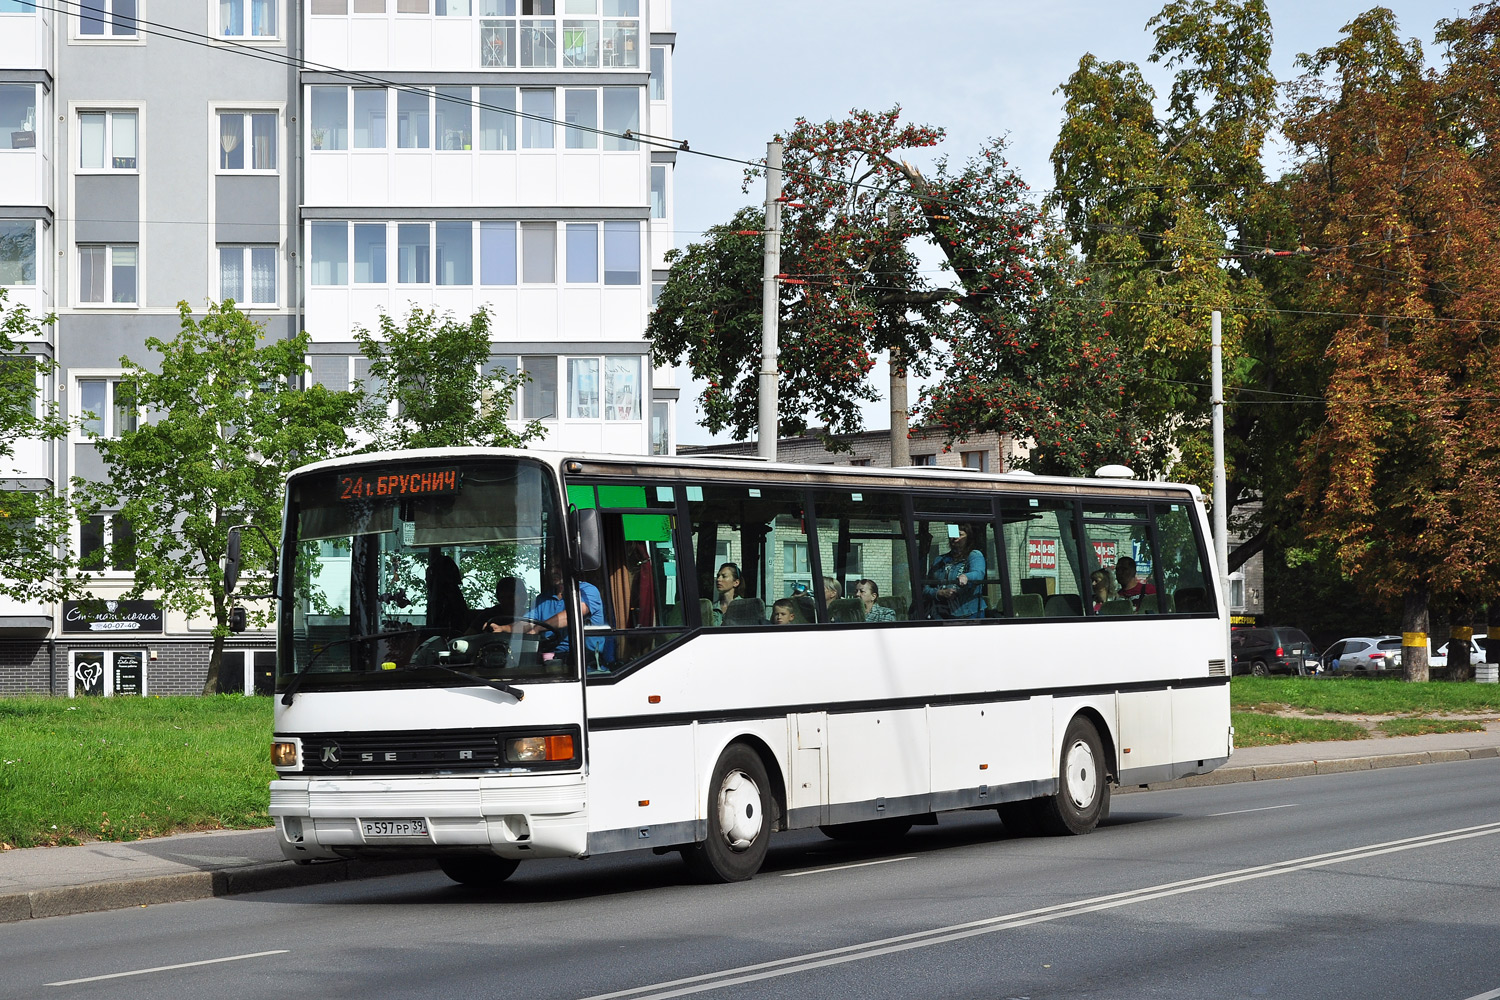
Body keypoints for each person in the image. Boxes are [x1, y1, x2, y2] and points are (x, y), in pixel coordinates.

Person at [923, 522, 986, 619]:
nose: (955, 538)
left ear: (968, 538)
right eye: (952, 534)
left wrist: (966, 576)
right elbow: (926, 588)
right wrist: (940, 593)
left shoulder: (974, 555)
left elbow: (978, 574)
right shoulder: (939, 560)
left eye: (960, 534)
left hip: (969, 615)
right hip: (942, 615)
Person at [424, 554, 471, 635]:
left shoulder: (444, 599)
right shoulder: (453, 596)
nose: (427, 579)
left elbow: (442, 630)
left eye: (431, 574)